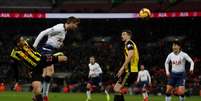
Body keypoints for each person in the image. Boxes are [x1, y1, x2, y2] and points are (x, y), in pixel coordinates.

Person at [33, 16, 80, 101]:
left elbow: (53, 38)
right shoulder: (59, 28)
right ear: (71, 22)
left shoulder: (64, 31)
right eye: (76, 24)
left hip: (50, 50)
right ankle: (43, 96)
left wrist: (59, 44)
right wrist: (34, 46)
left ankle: (39, 95)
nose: (76, 27)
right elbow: (43, 32)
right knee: (48, 72)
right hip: (46, 50)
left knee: (48, 73)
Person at [10, 36, 67, 101]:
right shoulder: (14, 54)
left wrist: (58, 43)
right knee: (37, 91)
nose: (24, 40)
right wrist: (17, 81)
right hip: (35, 69)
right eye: (22, 40)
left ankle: (54, 56)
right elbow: (15, 68)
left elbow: (40, 40)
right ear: (18, 43)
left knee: (64, 58)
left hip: (43, 59)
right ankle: (37, 97)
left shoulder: (26, 43)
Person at [113, 30, 139, 101]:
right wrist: (123, 69)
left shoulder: (129, 43)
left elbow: (130, 55)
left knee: (118, 89)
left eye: (124, 34)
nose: (122, 36)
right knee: (116, 88)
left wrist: (122, 68)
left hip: (131, 70)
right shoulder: (127, 44)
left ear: (129, 36)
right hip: (128, 70)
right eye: (122, 34)